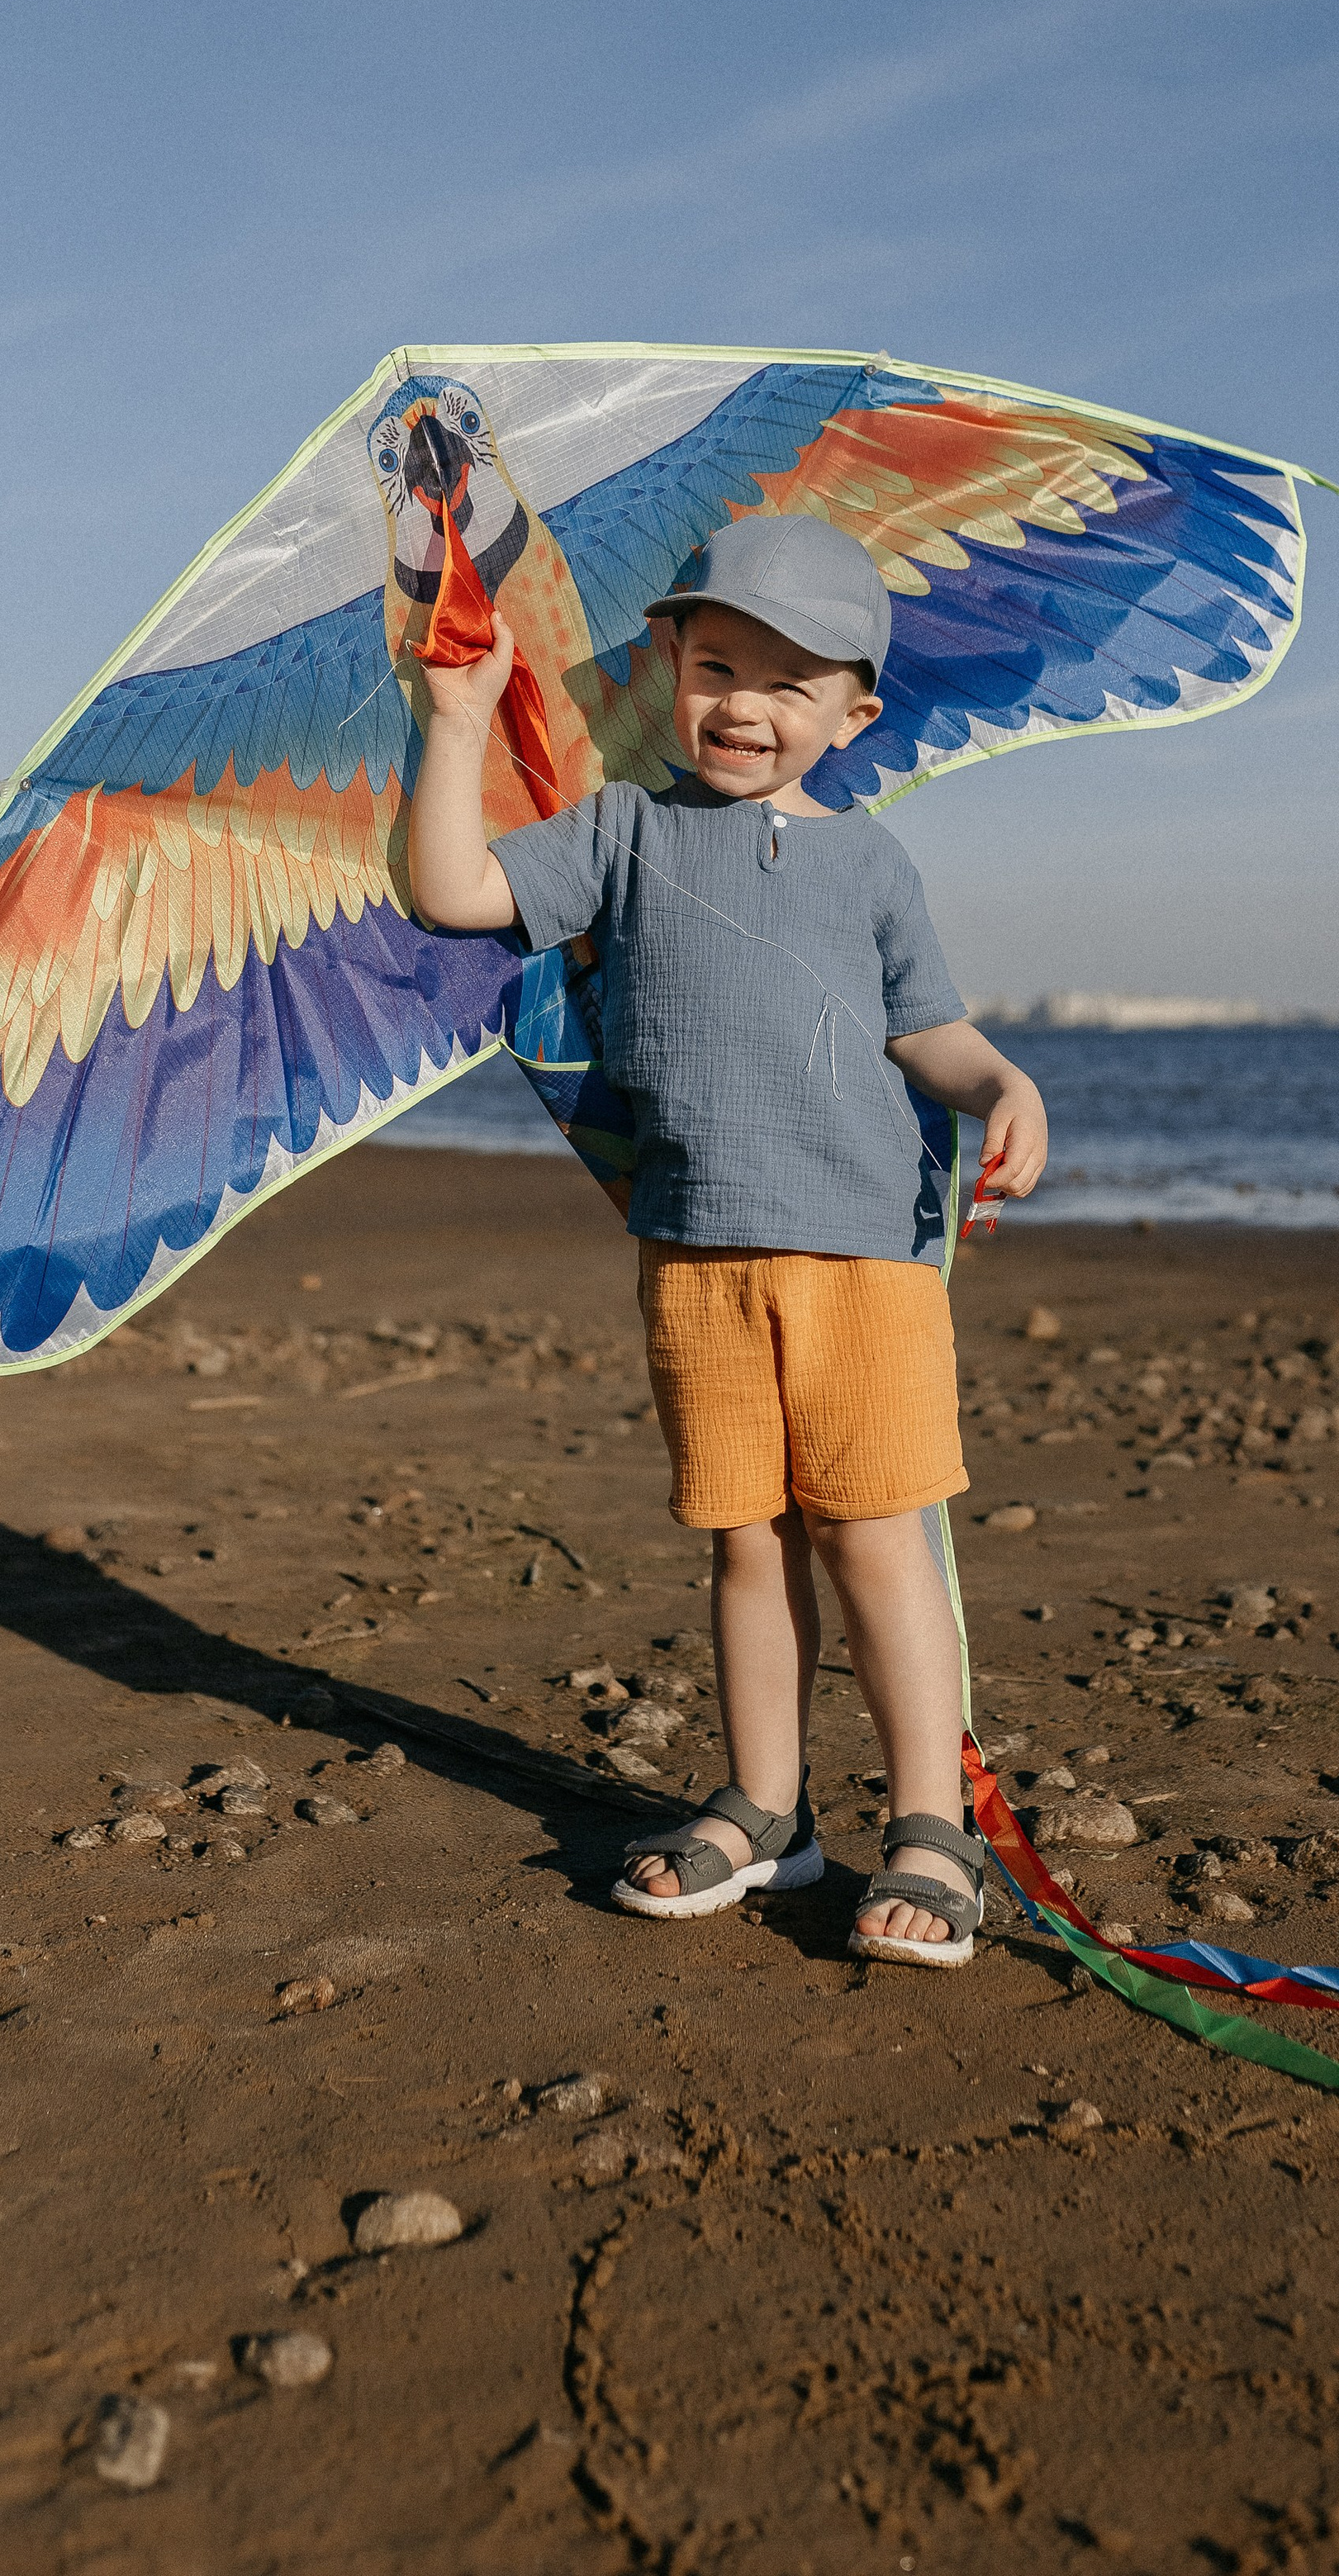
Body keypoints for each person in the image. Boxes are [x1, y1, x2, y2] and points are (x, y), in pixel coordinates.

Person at [407, 516, 1048, 1966]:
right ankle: (769, 1808)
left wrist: (1005, 1084)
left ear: (853, 715)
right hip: (697, 1252)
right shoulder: (620, 834)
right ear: (671, 670)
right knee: (747, 1539)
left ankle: (932, 1826)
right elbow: (451, 894)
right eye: (717, 669)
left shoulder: (871, 863)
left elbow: (926, 1030)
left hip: (865, 1259)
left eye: (789, 684)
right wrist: (456, 719)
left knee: (875, 1535)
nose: (745, 706)